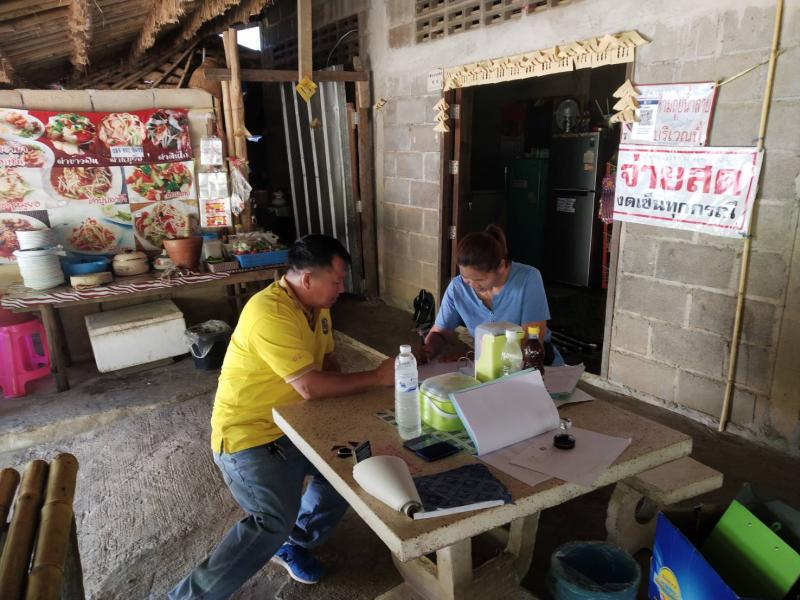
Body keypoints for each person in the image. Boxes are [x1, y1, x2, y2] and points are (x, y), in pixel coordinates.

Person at [169, 234, 394, 599]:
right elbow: (310, 386)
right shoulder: (268, 313)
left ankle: (296, 541)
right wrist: (377, 377)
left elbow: (327, 363)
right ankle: (187, 597)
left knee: (350, 465)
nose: (342, 289)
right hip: (250, 436)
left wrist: (349, 411)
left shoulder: (317, 305)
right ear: (307, 279)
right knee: (271, 521)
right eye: (336, 281)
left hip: (294, 424)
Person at [418, 224, 562, 365]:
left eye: (479, 280)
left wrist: (474, 356)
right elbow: (440, 333)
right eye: (466, 278)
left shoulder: (528, 279)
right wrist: (428, 350)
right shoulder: (457, 288)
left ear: (501, 267)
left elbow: (530, 343)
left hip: (535, 366)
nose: (472, 285)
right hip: (486, 368)